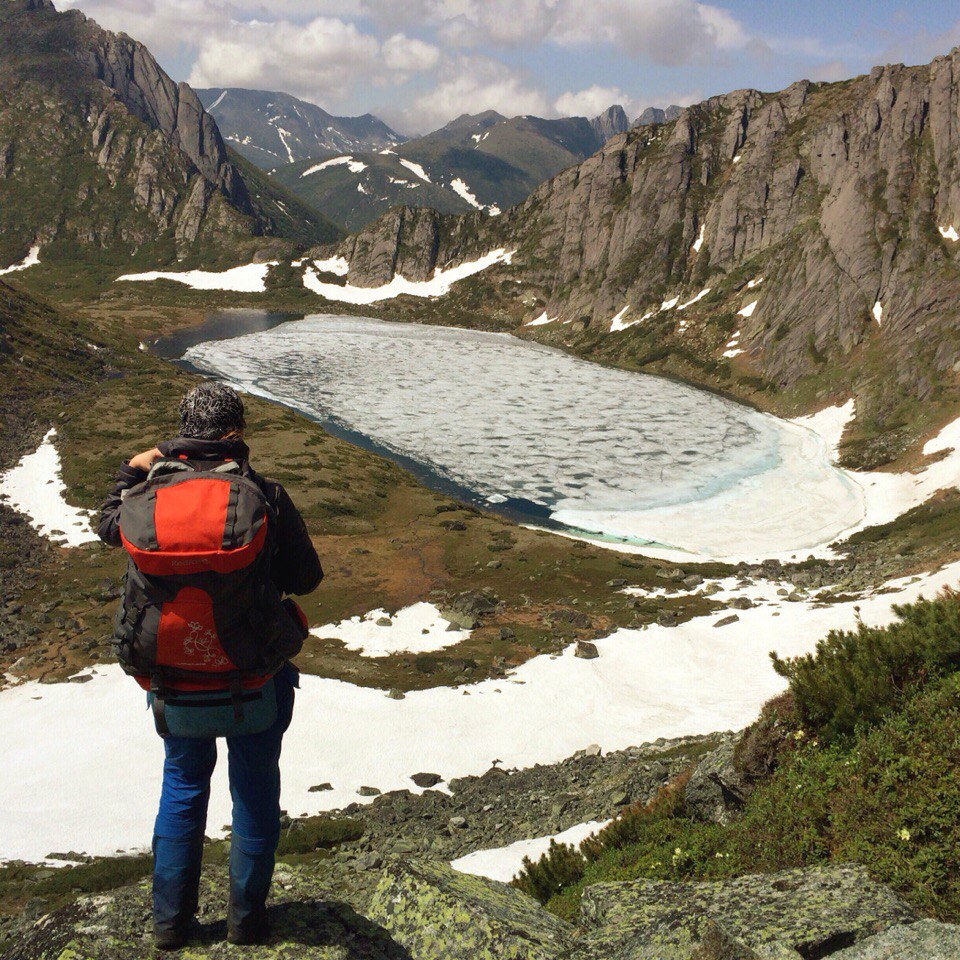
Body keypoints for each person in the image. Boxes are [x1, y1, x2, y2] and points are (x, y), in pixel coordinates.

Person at [98, 382, 323, 949]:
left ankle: (171, 926)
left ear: (181, 434)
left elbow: (106, 526)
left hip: (173, 678)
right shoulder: (264, 495)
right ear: (235, 435)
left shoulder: (143, 497)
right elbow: (306, 579)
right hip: (252, 675)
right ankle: (247, 921)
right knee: (253, 789)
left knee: (182, 784)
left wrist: (130, 469)